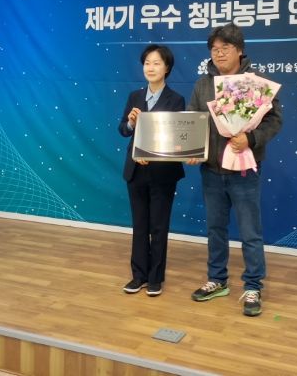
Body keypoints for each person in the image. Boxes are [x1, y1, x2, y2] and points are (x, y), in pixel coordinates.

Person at [187, 23, 282, 316]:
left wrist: (250, 139)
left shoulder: (257, 82)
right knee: (215, 229)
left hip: (244, 171)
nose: (219, 54)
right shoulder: (202, 84)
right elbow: (193, 121)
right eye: (214, 49)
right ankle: (217, 279)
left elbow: (274, 120)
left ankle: (253, 286)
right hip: (211, 170)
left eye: (225, 48)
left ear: (239, 50)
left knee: (250, 231)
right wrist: (192, 150)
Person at [118, 44, 185, 297]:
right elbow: (123, 130)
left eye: (156, 63)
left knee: (158, 226)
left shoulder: (175, 99)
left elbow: (175, 138)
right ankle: (138, 276)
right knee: (139, 225)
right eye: (147, 63)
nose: (151, 67)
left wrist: (151, 154)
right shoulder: (135, 96)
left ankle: (155, 278)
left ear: (167, 68)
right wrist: (130, 122)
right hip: (135, 171)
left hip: (162, 174)